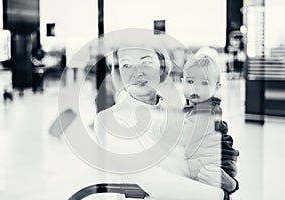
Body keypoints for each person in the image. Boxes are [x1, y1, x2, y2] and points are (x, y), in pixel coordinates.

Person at [93, 43, 239, 199]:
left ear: (162, 67)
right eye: (126, 64)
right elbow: (152, 181)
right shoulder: (109, 121)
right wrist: (220, 195)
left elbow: (214, 150)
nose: (137, 72)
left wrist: (230, 183)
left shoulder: (180, 112)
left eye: (146, 62)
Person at [179, 47, 239, 195]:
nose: (195, 88)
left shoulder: (208, 110)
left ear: (216, 87)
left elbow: (185, 135)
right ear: (182, 82)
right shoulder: (192, 108)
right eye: (190, 81)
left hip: (216, 168)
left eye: (204, 83)